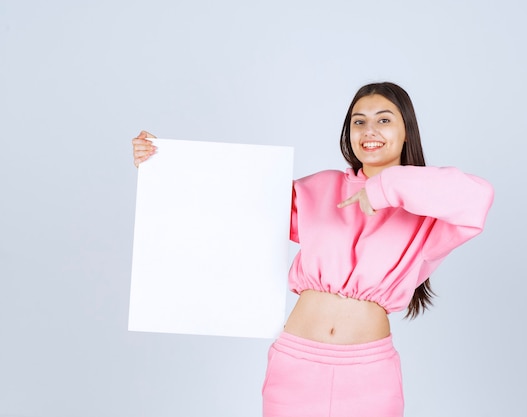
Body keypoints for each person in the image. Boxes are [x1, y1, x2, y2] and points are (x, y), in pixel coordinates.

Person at [132, 82, 494, 417]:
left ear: (406, 131)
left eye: (384, 120)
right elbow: (236, 198)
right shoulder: (322, 186)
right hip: (295, 366)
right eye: (359, 122)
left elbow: (478, 196)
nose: (369, 131)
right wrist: (163, 163)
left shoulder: (428, 207)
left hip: (368, 375)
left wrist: (384, 188)